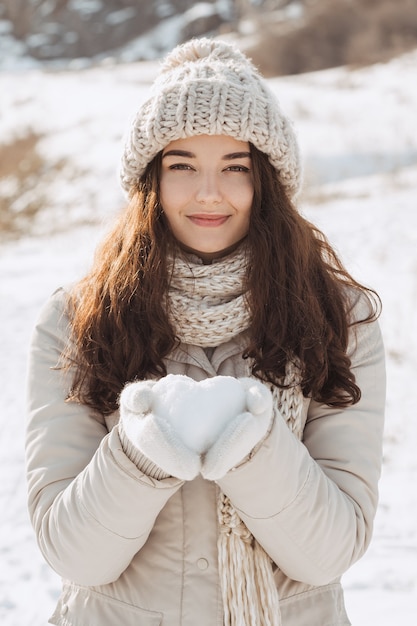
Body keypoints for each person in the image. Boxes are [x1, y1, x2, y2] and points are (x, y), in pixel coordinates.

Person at [25, 38, 386, 626]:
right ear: (151, 181)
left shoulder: (337, 319)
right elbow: (74, 555)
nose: (209, 192)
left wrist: (251, 449)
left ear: (266, 182)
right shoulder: (77, 320)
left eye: (235, 168)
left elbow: (329, 552)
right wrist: (141, 455)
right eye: (183, 166)